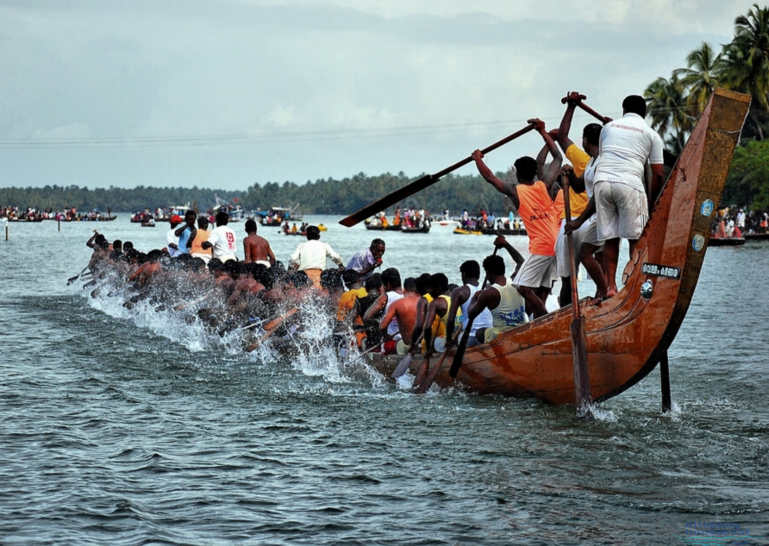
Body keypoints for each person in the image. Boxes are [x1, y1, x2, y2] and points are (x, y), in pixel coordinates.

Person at [472, 118, 561, 318]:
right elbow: (558, 159)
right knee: (543, 289)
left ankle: (546, 319)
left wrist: (477, 158)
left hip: (542, 246)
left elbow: (490, 178)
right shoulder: (544, 184)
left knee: (522, 286)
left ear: (519, 175)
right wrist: (543, 133)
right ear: (534, 173)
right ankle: (539, 321)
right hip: (558, 243)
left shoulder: (516, 191)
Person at [590, 94, 664, 297]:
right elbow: (658, 174)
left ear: (623, 110)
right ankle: (634, 285)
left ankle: (611, 287)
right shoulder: (651, 134)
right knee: (635, 239)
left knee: (610, 238)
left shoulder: (608, 128)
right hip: (629, 184)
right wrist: (652, 201)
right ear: (645, 113)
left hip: (602, 183)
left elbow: (607, 155)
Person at [556, 92, 610, 304]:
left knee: (579, 266)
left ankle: (604, 295)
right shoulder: (590, 161)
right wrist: (569, 175)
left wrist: (571, 107)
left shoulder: (602, 160)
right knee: (589, 267)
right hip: (589, 220)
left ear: (585, 141)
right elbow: (580, 188)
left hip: (592, 219)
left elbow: (561, 136)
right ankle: (599, 296)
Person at [467, 254, 528, 344]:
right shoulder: (515, 280)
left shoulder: (488, 294)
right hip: (521, 330)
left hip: (501, 336)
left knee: (479, 332)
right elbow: (521, 262)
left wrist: (474, 299)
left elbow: (471, 314)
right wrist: (505, 244)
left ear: (488, 272)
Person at [445, 260, 493, 349]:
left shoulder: (459, 291)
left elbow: (451, 319)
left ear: (464, 274)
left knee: (455, 339)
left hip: (471, 337)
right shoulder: (489, 287)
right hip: (489, 334)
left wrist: (448, 340)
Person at [363, 268, 404, 354]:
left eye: (384, 286)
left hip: (391, 342)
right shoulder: (408, 295)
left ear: (388, 285)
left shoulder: (385, 297)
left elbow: (366, 316)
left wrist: (380, 325)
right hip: (407, 342)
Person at [378, 277, 421, 355]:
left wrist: (386, 336)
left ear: (404, 290)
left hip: (407, 346)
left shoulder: (397, 304)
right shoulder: (425, 302)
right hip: (423, 345)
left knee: (386, 345)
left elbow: (382, 327)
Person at [422, 273, 455, 356]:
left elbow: (427, 327)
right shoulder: (456, 297)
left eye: (430, 288)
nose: (428, 292)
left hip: (448, 342)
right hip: (458, 338)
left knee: (434, 341)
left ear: (438, 289)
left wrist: (428, 348)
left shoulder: (436, 302)